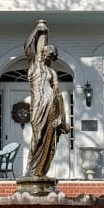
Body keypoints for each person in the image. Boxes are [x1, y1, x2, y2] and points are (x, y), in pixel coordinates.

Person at [23, 20, 70, 177]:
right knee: (37, 137)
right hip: (37, 105)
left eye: (51, 56)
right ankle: (31, 170)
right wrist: (37, 30)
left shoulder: (52, 72)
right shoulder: (33, 65)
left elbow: (57, 94)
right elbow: (27, 47)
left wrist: (62, 117)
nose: (49, 57)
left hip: (51, 105)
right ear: (43, 53)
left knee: (49, 136)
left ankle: (41, 170)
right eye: (48, 54)